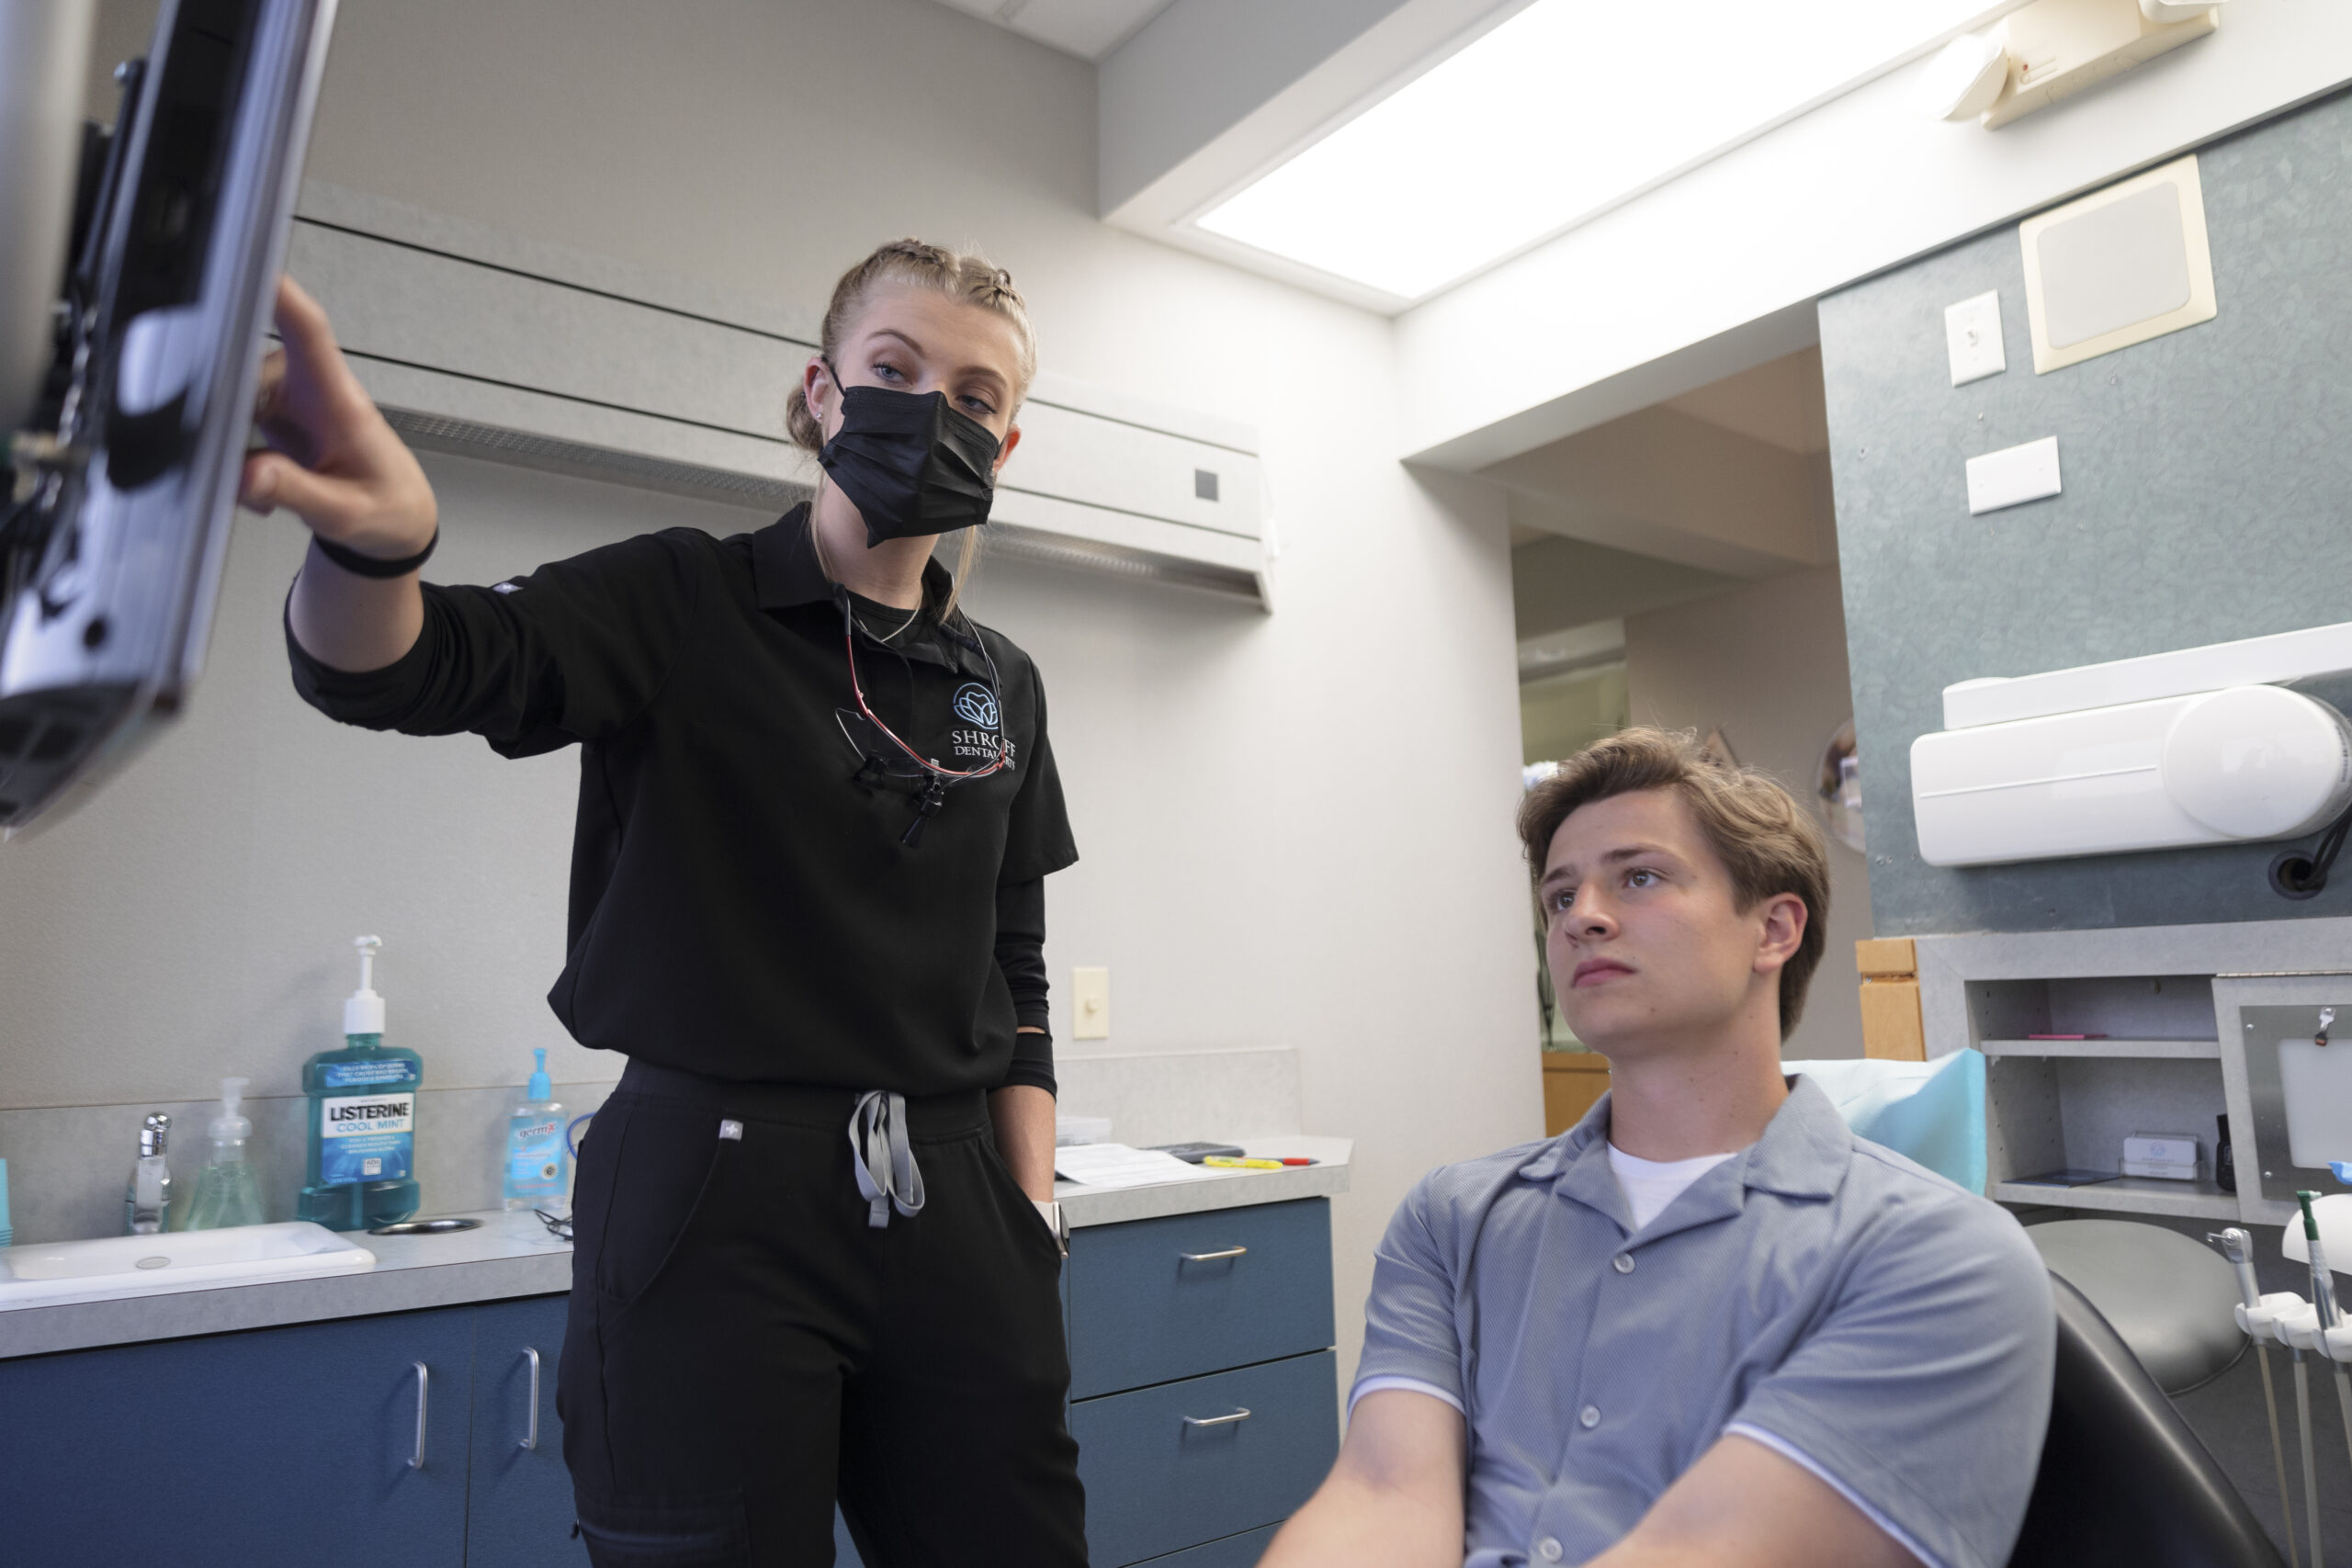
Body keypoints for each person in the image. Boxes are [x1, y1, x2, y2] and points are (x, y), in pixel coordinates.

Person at [242, 243, 1087, 1566]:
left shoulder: (1004, 681)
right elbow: (413, 664)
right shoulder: (686, 598)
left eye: (976, 396)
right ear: (820, 393)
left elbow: (1017, 968)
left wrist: (1030, 1219)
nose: (935, 410)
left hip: (957, 1201)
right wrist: (375, 542)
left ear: (1011, 440)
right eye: (893, 370)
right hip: (713, 1198)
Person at [1262, 728, 2053, 1568]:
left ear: (1773, 930)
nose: (1583, 918)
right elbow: (1384, 1498)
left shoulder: (1935, 1255)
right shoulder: (1453, 1219)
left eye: (1639, 877)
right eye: (1560, 898)